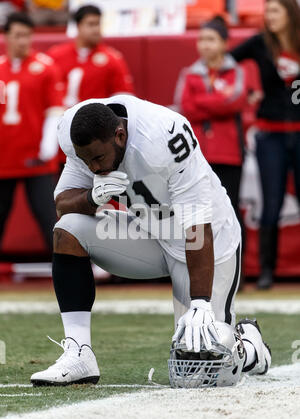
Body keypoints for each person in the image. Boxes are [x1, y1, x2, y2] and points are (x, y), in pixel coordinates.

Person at [30, 95, 271, 387]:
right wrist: (91, 197)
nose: (93, 168)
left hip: (205, 242)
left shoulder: (164, 137)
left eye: (98, 159)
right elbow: (62, 204)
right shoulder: (77, 131)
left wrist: (200, 303)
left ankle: (250, 348)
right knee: (67, 230)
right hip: (150, 233)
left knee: (202, 371)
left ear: (120, 136)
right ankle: (79, 353)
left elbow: (196, 224)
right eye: (86, 161)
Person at [231, 0, 300, 289]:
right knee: (271, 201)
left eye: (275, 11)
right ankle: (266, 272)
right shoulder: (259, 44)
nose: (269, 17)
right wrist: (242, 92)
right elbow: (225, 60)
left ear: (290, 13)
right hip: (270, 134)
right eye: (267, 11)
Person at [175, 16, 247, 252]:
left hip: (229, 153)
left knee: (230, 209)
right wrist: (216, 102)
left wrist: (202, 102)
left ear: (225, 43)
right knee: (197, 211)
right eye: (202, 39)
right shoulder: (189, 73)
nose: (205, 45)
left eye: (211, 39)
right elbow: (185, 107)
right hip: (197, 155)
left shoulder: (236, 72)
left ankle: (238, 268)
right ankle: (198, 267)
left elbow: (233, 101)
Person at [0, 13, 64, 252]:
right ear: (6, 37)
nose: (22, 41)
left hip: (34, 158)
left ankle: (67, 271)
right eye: (17, 35)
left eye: (27, 35)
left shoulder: (44, 67)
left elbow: (55, 109)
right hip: (3, 157)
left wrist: (48, 145)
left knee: (49, 218)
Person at [48, 5, 134, 109]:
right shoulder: (56, 55)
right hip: (61, 118)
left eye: (98, 24)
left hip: (97, 121)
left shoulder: (111, 58)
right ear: (78, 26)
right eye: (91, 24)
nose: (96, 29)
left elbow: (124, 98)